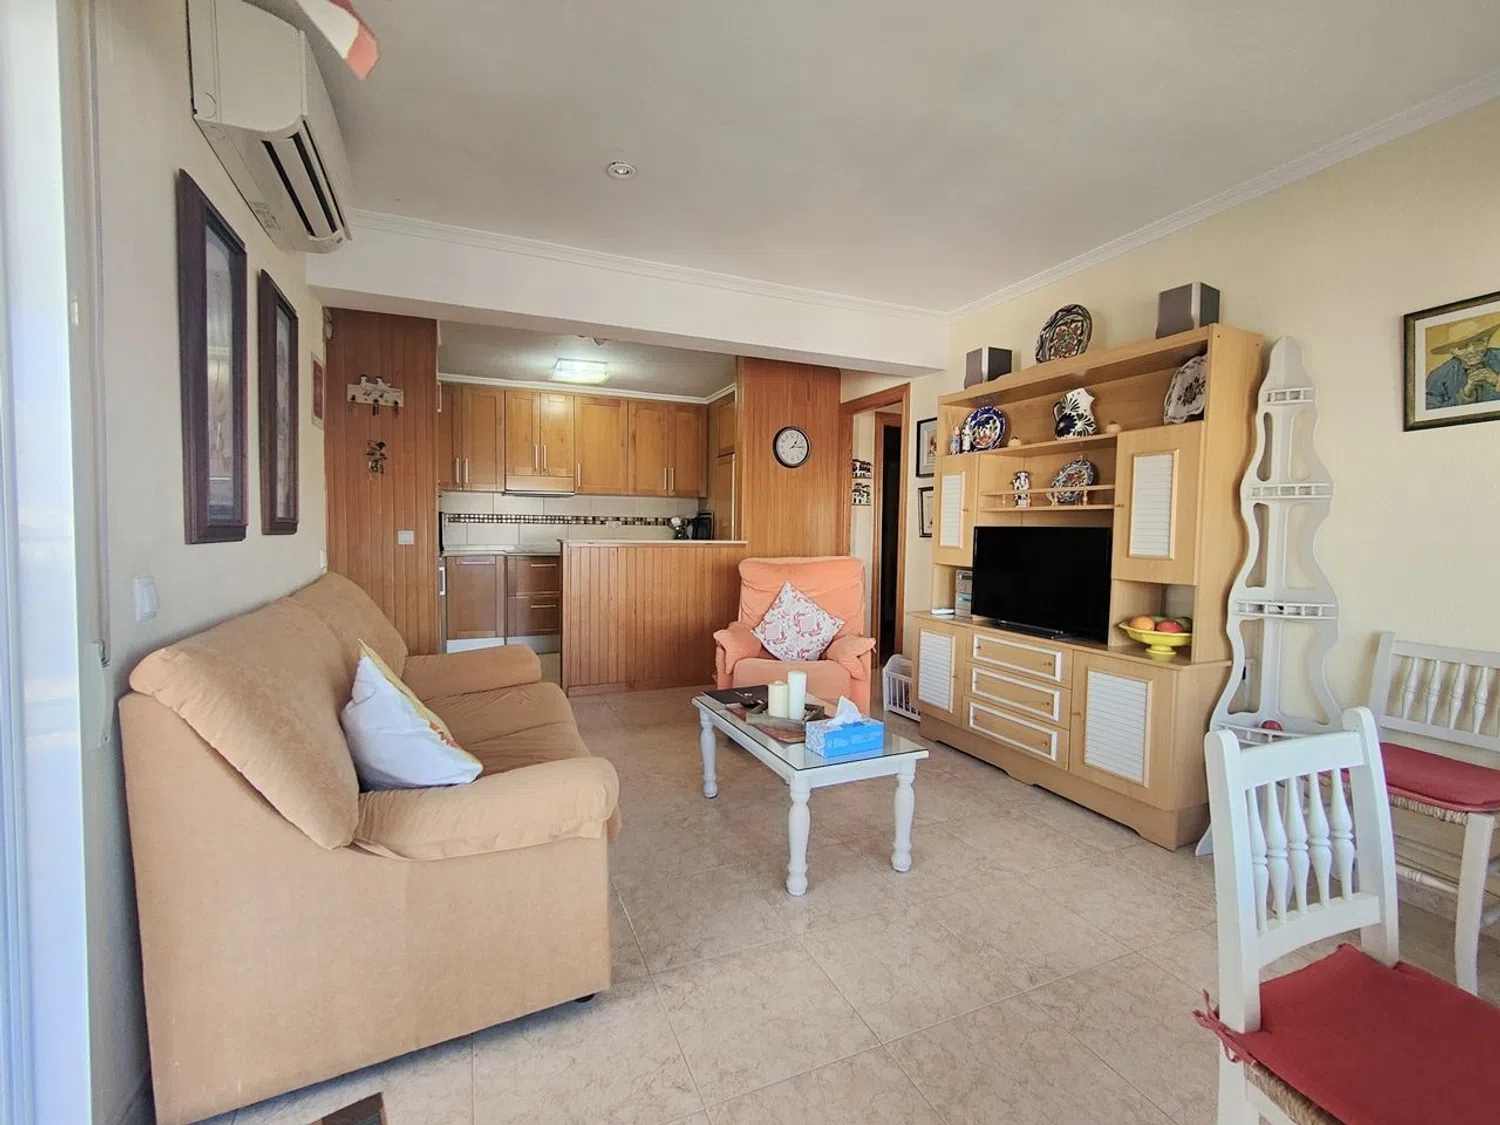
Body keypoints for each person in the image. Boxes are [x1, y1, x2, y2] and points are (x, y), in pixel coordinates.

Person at [1426, 318, 1500, 409]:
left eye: (1478, 342)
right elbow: (1429, 411)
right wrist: (1465, 395)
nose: (1472, 351)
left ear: (1487, 341)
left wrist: (1497, 381)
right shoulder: (1439, 376)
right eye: (1462, 347)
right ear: (1452, 352)